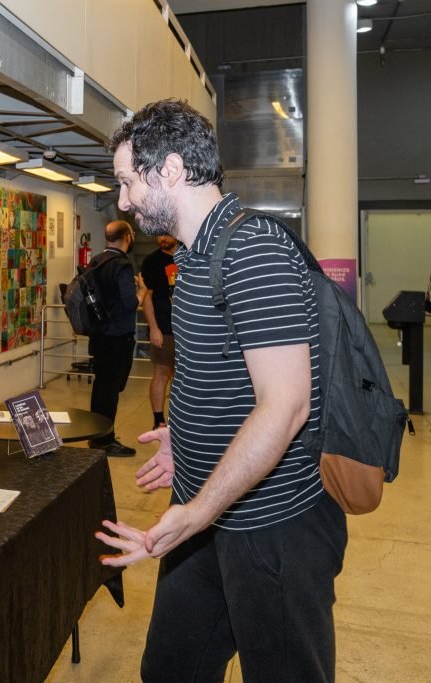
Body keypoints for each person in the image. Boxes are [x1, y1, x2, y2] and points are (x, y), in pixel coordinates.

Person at [96, 99, 345, 682]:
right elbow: (218, 375)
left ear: (171, 170)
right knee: (170, 670)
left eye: (128, 181)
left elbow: (286, 405)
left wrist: (199, 511)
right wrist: (183, 437)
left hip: (270, 525)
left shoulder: (253, 251)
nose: (123, 201)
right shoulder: (194, 255)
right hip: (205, 514)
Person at [87, 219, 146, 457]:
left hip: (99, 335)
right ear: (127, 237)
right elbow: (130, 303)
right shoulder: (122, 265)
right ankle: (105, 440)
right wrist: (141, 290)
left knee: (101, 387)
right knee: (110, 389)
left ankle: (96, 434)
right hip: (117, 337)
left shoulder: (96, 261)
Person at [140, 234, 179, 429]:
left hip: (187, 329)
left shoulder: (189, 256)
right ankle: (158, 421)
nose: (162, 238)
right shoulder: (152, 261)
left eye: (166, 234)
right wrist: (154, 328)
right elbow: (147, 297)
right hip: (164, 328)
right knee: (161, 373)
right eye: (159, 235)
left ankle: (179, 421)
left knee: (184, 377)